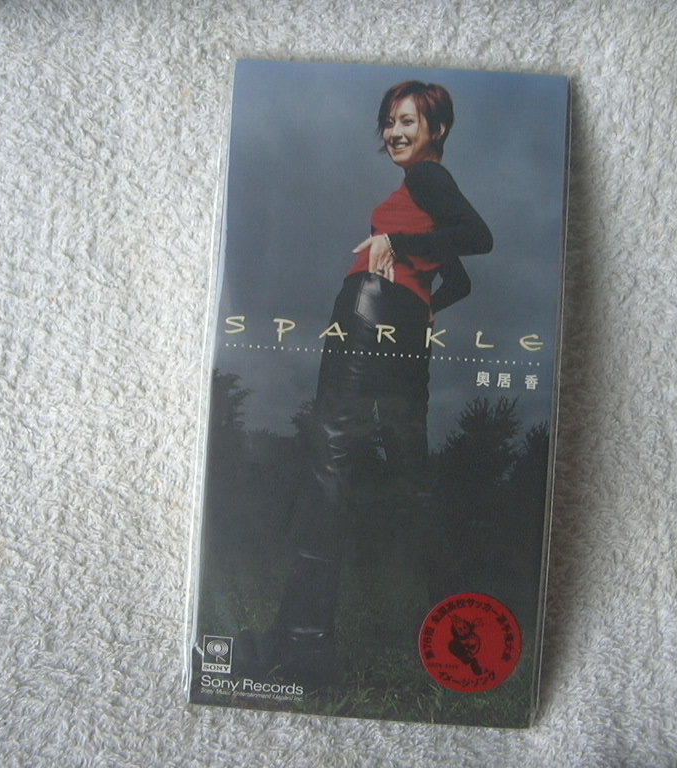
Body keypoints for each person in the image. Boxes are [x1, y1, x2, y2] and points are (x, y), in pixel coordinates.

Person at [239, 81, 493, 682]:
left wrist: (393, 241)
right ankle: (465, 626)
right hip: (403, 326)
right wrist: (423, 307)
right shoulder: (428, 196)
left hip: (368, 309)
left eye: (408, 121)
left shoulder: (427, 178)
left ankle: (303, 648)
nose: (394, 132)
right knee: (412, 473)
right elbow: (458, 280)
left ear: (438, 130)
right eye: (389, 121)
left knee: (330, 464)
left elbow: (479, 237)